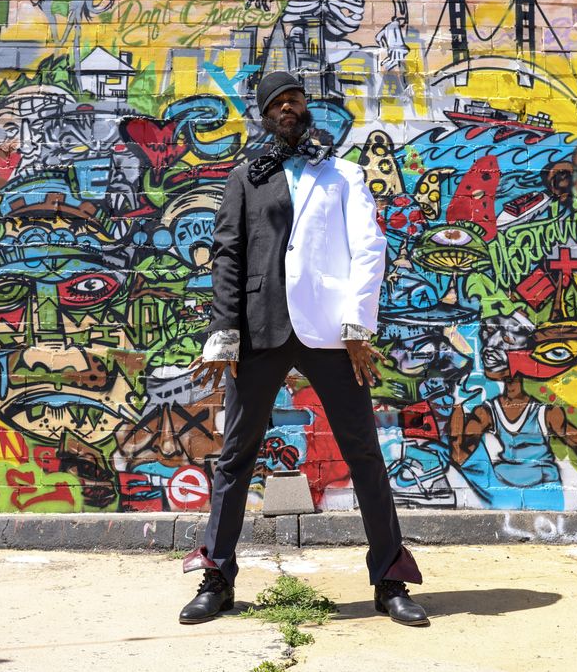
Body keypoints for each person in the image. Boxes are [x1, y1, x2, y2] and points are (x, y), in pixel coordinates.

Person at [179, 71, 428, 626]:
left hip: (331, 334)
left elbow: (369, 248)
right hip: (259, 332)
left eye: (295, 100)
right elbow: (227, 256)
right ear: (265, 114)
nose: (288, 108)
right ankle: (216, 578)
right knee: (236, 456)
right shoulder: (244, 177)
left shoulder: (342, 174)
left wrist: (358, 326)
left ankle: (390, 580)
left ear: (306, 109)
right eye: (278, 103)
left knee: (363, 453)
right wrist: (224, 334)